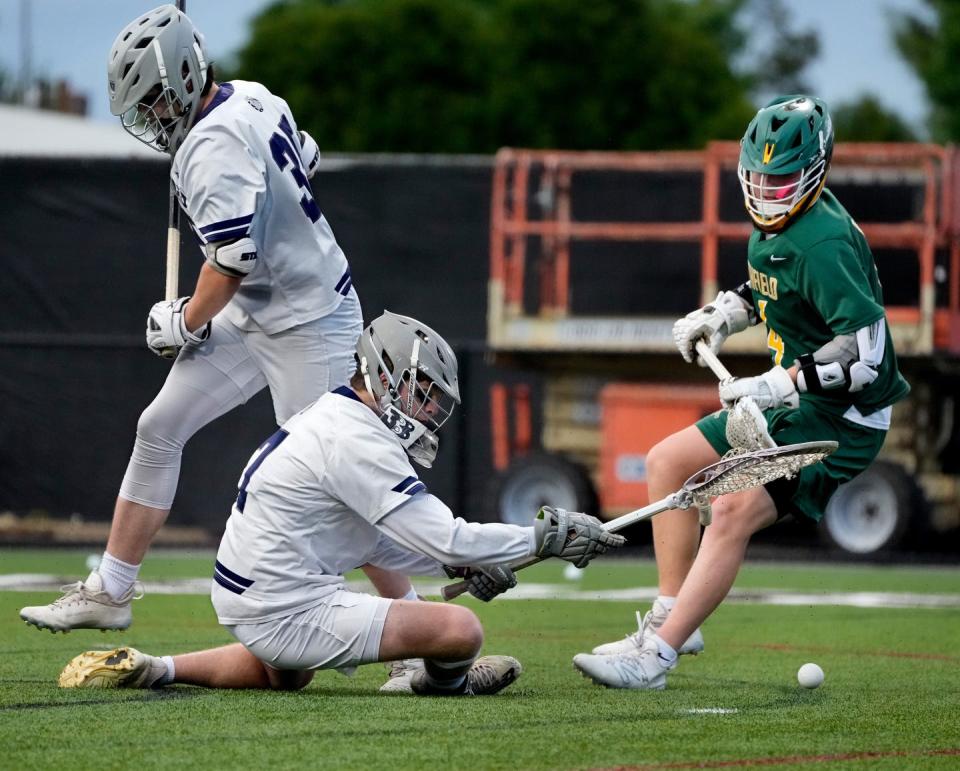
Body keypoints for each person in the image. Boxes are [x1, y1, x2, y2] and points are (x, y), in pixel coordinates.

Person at [19, 4, 417, 677]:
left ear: (178, 78)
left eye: (150, 98)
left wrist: (185, 321)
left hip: (307, 320)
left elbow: (231, 260)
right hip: (265, 307)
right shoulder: (253, 98)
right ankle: (111, 589)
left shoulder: (209, 145)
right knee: (160, 424)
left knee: (338, 480)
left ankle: (412, 634)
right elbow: (307, 157)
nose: (147, 114)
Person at [57, 312, 625, 696]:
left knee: (289, 676)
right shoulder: (356, 438)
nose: (428, 410)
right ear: (382, 376)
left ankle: (157, 668)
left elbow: (384, 542)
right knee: (460, 630)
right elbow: (443, 535)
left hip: (252, 594)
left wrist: (460, 563)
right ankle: (431, 684)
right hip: (282, 603)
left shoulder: (341, 415)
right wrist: (541, 539)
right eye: (421, 392)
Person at [572, 95, 911, 689]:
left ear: (816, 170)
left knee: (730, 509)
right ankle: (673, 615)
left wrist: (779, 382)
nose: (767, 192)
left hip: (842, 418)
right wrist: (723, 314)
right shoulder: (779, 228)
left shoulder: (823, 241)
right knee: (667, 462)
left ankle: (655, 658)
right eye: (758, 178)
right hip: (794, 401)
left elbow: (864, 354)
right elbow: (772, 289)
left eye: (781, 181)